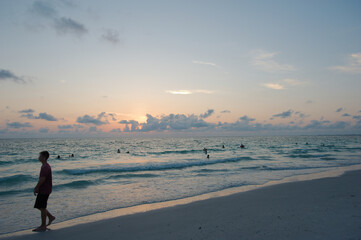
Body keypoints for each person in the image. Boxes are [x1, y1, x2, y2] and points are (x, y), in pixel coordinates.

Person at [33, 151, 55, 232]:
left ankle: (43, 226)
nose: (39, 157)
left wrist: (36, 187)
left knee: (42, 207)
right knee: (40, 206)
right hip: (45, 189)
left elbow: (42, 179)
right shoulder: (45, 166)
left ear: (44, 157)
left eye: (40, 156)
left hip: (45, 189)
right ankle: (50, 217)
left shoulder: (45, 167)